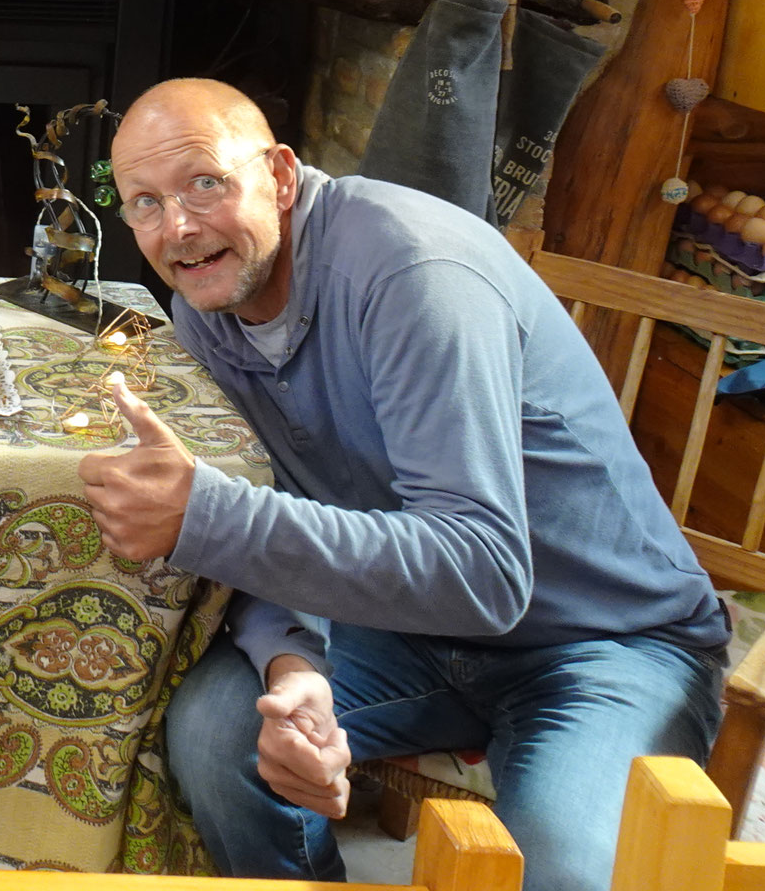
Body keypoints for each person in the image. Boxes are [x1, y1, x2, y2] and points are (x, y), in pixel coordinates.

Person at [76, 78, 726, 891]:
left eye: (205, 182)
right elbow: (286, 510)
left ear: (280, 175)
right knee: (215, 735)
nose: (177, 227)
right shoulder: (209, 301)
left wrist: (206, 514)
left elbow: (483, 573)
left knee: (561, 872)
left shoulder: (415, 271)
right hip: (406, 629)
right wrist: (294, 664)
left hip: (605, 640)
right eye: (145, 202)